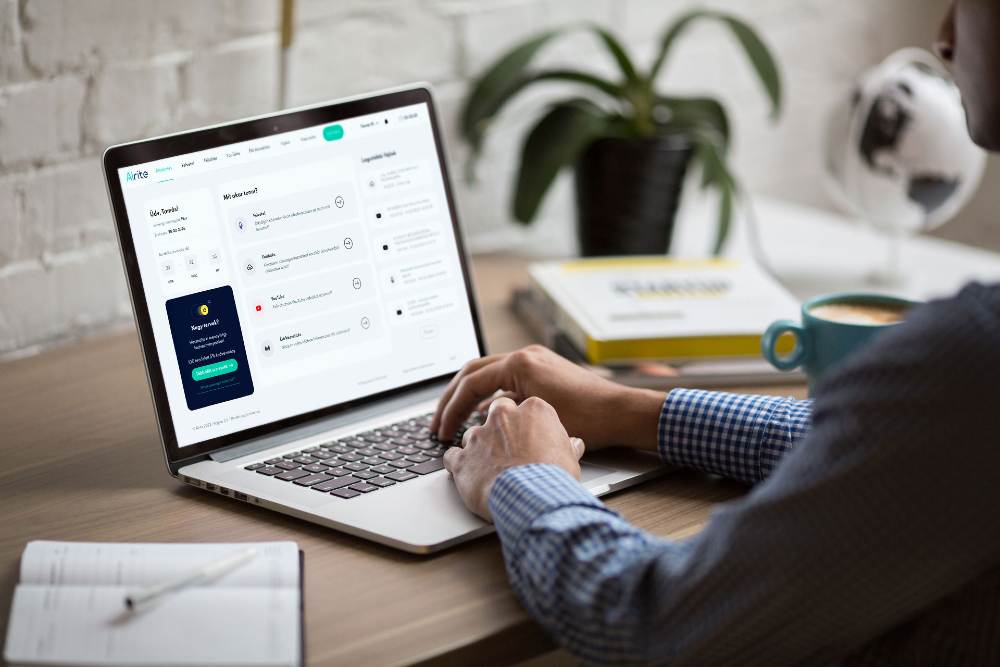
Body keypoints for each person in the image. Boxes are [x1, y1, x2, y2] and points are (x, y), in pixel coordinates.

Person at [433, 2, 1000, 664]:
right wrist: (632, 408)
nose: (944, 38)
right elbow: (898, 450)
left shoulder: (973, 357)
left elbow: (652, 623)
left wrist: (523, 476)